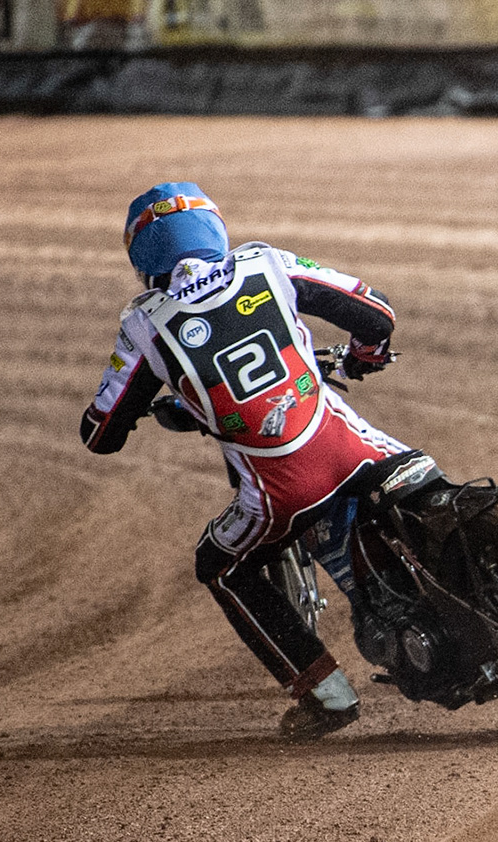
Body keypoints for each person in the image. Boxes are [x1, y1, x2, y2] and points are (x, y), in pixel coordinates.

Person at [82, 182, 411, 740]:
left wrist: (123, 412)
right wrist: (366, 356)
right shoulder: (266, 262)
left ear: (142, 258)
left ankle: (328, 695)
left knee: (219, 565)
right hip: (355, 448)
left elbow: (102, 434)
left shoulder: (144, 324)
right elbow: (376, 312)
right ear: (214, 229)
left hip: (281, 492)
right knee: (425, 480)